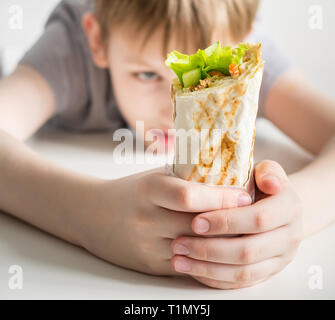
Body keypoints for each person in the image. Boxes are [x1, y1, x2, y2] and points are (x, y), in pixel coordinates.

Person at [0, 0, 334, 290]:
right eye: (146, 75)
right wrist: (88, 215)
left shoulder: (238, 46)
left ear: (246, 37)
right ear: (98, 39)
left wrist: (289, 214)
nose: (171, 108)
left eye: (203, 79)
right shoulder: (71, 48)